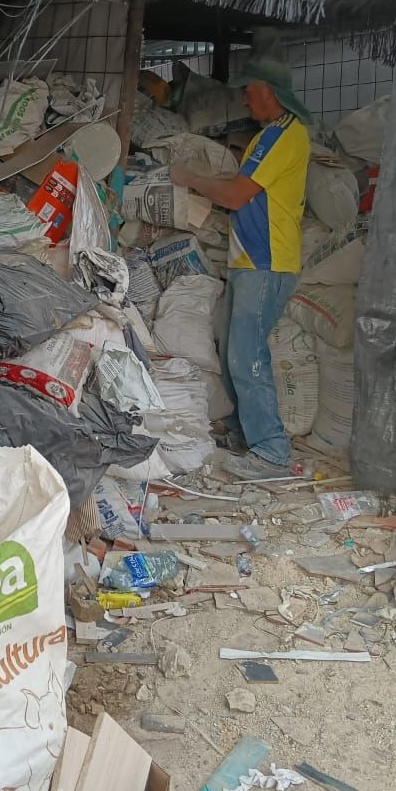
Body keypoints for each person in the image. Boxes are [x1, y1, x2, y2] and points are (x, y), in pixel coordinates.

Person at [169, 56, 311, 480]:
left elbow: (236, 196)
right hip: (251, 261)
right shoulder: (268, 135)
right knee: (234, 348)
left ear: (271, 92)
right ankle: (241, 433)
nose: (245, 98)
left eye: (251, 90)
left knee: (247, 354)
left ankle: (271, 451)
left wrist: (187, 177)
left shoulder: (285, 135)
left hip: (267, 261)